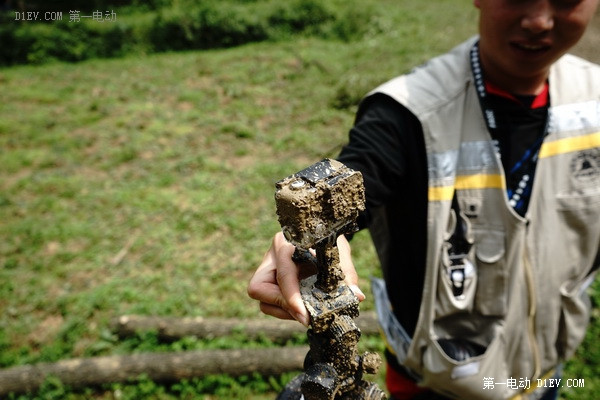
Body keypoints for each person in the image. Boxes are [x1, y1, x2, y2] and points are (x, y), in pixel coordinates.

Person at [248, 1, 600, 399]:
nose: (538, 21)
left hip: (544, 375)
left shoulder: (594, 100)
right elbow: (361, 172)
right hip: (433, 380)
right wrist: (305, 240)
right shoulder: (407, 112)